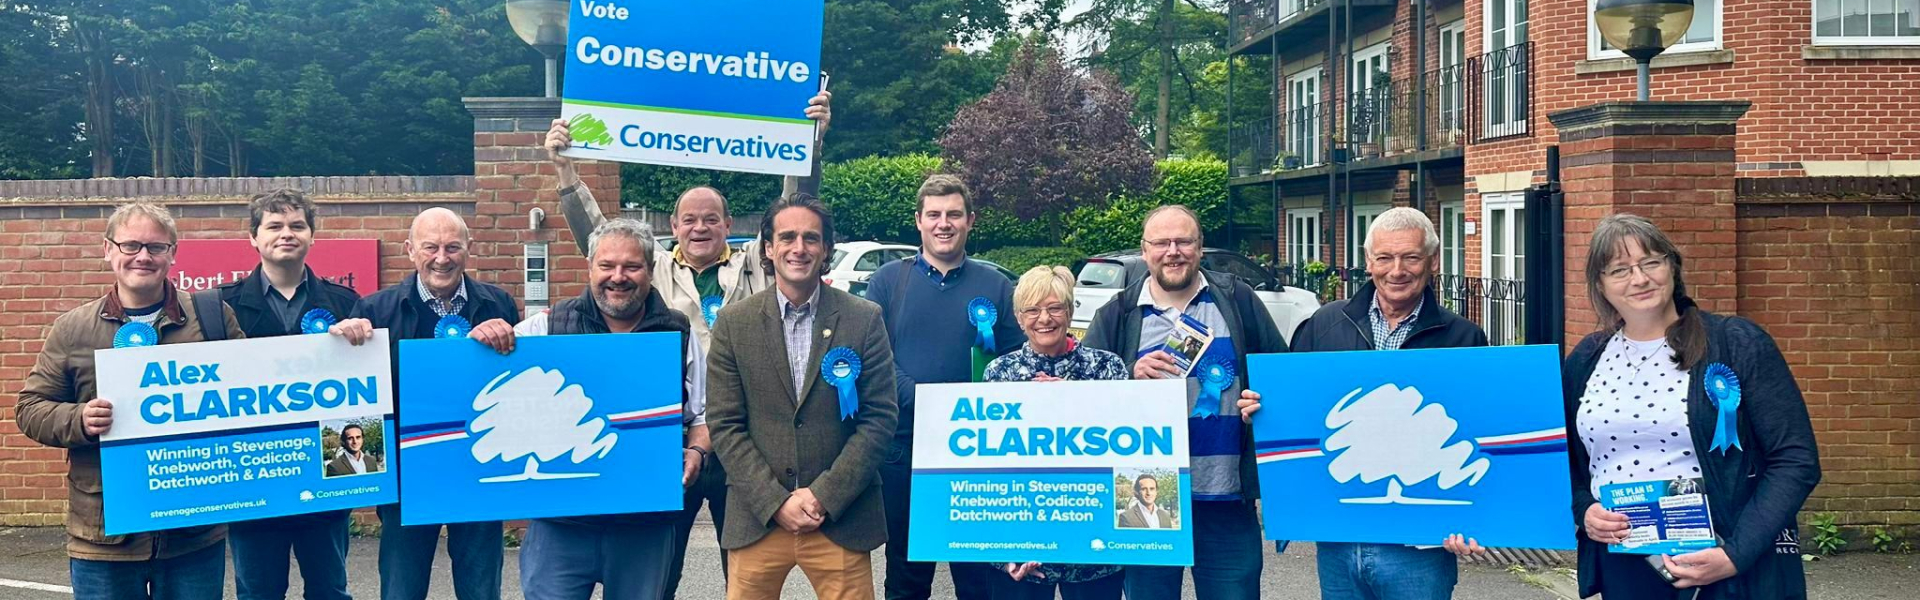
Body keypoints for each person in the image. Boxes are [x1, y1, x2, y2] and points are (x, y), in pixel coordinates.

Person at [543, 90, 830, 599]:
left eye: (711, 218)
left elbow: (791, 218)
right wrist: (567, 174)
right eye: (689, 219)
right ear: (672, 227)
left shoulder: (755, 268)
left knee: (742, 576)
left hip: (744, 445)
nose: (700, 227)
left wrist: (807, 142)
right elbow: (602, 239)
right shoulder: (650, 271)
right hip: (671, 444)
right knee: (657, 575)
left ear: (730, 226)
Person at [1235, 206, 1490, 600]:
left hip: (1420, 548)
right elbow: (1294, 407)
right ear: (1368, 262)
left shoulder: (1463, 337)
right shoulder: (1324, 324)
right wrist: (1263, 410)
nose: (1397, 270)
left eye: (1411, 257)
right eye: (1385, 257)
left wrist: (1476, 521)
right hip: (1339, 539)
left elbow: (1481, 434)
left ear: (1433, 262)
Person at [1563, 214, 1819, 599]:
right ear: (1600, 284)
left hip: (1719, 558)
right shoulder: (1587, 357)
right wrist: (1584, 510)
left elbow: (1796, 459)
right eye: (1619, 269)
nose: (1640, 278)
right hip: (1625, 560)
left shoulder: (1736, 343)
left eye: (1651, 262)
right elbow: (1564, 459)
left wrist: (1735, 553)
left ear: (1672, 265)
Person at [16, 202, 243, 599]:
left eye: (156, 247)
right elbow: (31, 408)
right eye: (131, 245)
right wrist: (80, 419)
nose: (143, 256)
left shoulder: (211, 316)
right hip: (104, 536)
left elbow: (253, 392)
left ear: (172, 254)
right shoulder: (73, 329)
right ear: (108, 250)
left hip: (192, 532)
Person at [1081, 204, 1286, 600]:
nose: (1172, 250)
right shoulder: (1120, 313)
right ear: (1145, 251)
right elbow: (1086, 396)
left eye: (1183, 241)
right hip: (1145, 495)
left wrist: (1261, 402)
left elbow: (1280, 374)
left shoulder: (1237, 300)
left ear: (1200, 247)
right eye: (1161, 242)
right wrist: (1128, 373)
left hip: (1225, 494)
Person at [705, 194, 898, 600]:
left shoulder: (865, 319)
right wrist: (775, 501)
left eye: (811, 238)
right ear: (769, 248)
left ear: (826, 249)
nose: (799, 248)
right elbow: (724, 425)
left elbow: (879, 419)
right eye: (787, 237)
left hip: (839, 518)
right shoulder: (732, 324)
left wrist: (824, 496)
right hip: (759, 518)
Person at [508, 219, 713, 600]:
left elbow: (701, 415)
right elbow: (485, 370)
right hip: (562, 524)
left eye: (631, 266)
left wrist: (697, 451)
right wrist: (485, 336)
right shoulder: (546, 328)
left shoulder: (678, 333)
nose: (618, 277)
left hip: (644, 525)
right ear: (590, 268)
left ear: (650, 271)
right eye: (607, 265)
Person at [341, 207, 519, 600]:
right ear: (409, 250)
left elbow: (513, 384)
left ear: (468, 250)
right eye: (431, 247)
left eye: (453, 247)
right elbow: (357, 396)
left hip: (479, 462)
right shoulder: (374, 310)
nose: (442, 257)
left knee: (481, 585)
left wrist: (505, 335)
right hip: (409, 469)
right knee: (402, 585)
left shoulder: (498, 304)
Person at [863, 174, 1025, 600]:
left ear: (970, 221)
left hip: (977, 455)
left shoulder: (996, 286)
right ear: (918, 221)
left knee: (977, 579)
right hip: (905, 453)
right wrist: (935, 403)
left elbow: (1015, 362)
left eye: (954, 214)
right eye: (933, 214)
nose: (944, 223)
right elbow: (876, 362)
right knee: (906, 578)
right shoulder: (887, 282)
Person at [214, 189, 369, 600]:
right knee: (258, 592)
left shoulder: (346, 303)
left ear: (312, 236)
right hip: (253, 481)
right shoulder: (218, 306)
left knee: (330, 591)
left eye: (297, 225)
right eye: (275, 225)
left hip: (323, 484)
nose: (287, 233)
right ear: (253, 237)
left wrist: (360, 338)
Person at [980, 266, 1128, 600]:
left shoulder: (1108, 368)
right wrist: (1004, 553)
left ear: (1071, 312)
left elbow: (1126, 452)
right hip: (1022, 553)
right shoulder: (999, 374)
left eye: (1054, 308)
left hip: (1094, 549)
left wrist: (1075, 402)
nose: (1044, 318)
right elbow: (991, 471)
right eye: (1032, 310)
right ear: (1019, 319)